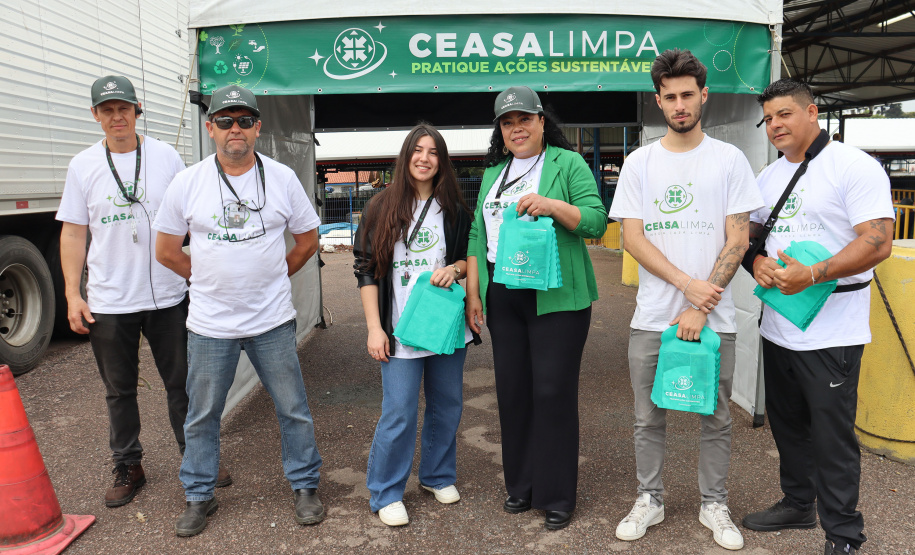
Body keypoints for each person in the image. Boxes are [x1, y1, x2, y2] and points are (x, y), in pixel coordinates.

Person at [608, 49, 763, 551]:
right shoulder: (639, 163)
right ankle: (649, 498)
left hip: (713, 318)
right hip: (652, 316)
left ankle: (713, 503)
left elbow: (737, 239)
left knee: (715, 416)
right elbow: (633, 238)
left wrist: (699, 305)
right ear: (658, 101)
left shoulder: (729, 160)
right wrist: (684, 285)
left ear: (704, 95)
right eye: (670, 96)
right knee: (647, 416)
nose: (679, 104)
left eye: (687, 95)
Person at [154, 85, 325, 536]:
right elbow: (167, 250)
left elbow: (308, 240)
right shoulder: (188, 182)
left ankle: (306, 485)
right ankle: (199, 495)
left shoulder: (283, 178)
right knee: (203, 415)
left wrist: (273, 274)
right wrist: (206, 278)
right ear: (210, 128)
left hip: (271, 320)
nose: (236, 129)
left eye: (245, 120)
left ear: (258, 128)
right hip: (210, 324)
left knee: (293, 408)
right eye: (226, 121)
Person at [56, 75, 231, 508]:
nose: (117, 117)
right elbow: (75, 234)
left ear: (137, 110)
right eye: (107, 110)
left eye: (124, 108)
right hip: (110, 300)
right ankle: (129, 465)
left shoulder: (166, 156)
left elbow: (192, 216)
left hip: (168, 296)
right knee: (119, 391)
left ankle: (198, 458)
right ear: (96, 116)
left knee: (183, 385)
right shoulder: (82, 166)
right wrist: (72, 295)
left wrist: (202, 270)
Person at [741, 79, 894, 555]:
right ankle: (798, 503)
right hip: (779, 325)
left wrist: (813, 274)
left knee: (832, 437)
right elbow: (750, 238)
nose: (775, 125)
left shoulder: (853, 166)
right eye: (768, 119)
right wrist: (755, 262)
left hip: (833, 331)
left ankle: (844, 534)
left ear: (812, 112)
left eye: (784, 114)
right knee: (788, 426)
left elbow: (878, 240)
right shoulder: (768, 178)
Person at [464, 86, 607, 531]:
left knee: (551, 392)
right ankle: (521, 485)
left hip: (556, 296)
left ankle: (557, 493)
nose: (517, 128)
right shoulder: (494, 172)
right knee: (512, 391)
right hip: (504, 295)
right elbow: (476, 235)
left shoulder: (568, 164)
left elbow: (596, 221)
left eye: (524, 119)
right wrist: (474, 293)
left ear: (542, 121)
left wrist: (552, 206)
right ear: (500, 131)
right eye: (507, 122)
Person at [353, 124, 475, 527]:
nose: (425, 158)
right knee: (399, 411)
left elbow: (468, 258)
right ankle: (386, 491)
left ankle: (437, 476)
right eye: (417, 150)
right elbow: (367, 270)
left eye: (433, 151)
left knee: (447, 406)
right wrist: (375, 328)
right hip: (399, 328)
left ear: (442, 160)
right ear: (406, 156)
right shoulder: (380, 207)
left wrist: (454, 269)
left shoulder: (454, 208)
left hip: (442, 324)